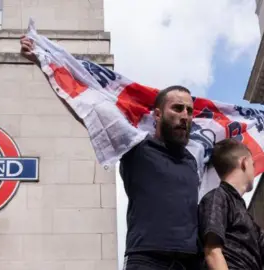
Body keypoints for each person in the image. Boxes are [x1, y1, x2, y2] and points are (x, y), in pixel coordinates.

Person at [20, 36, 202, 270]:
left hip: (191, 262)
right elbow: (86, 107)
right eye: (177, 108)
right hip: (147, 258)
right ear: (157, 115)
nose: (185, 116)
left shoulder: (192, 160)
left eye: (189, 110)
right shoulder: (136, 146)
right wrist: (42, 61)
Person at [198, 138, 264, 270]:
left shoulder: (247, 218)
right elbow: (213, 252)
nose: (255, 170)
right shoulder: (218, 198)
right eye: (253, 164)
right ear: (244, 163)